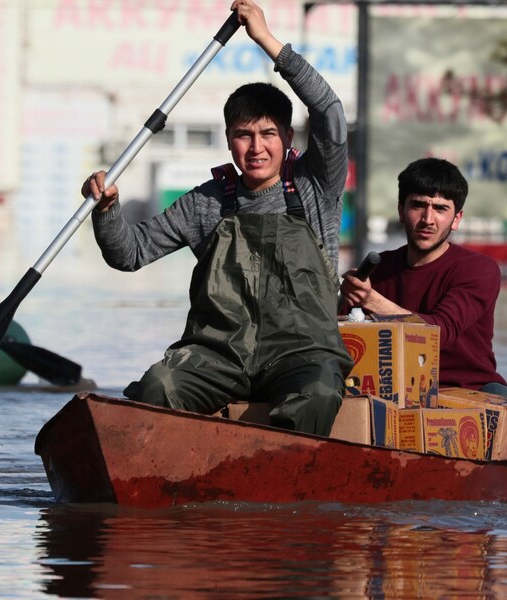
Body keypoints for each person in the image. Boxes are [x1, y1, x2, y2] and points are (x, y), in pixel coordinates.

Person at [81, 0, 352, 436]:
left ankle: (284, 484)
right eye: (244, 135)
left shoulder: (315, 184)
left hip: (302, 354)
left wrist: (266, 40)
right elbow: (128, 254)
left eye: (268, 134)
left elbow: (330, 113)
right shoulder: (206, 202)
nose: (256, 148)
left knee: (318, 391)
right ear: (229, 141)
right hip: (220, 356)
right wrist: (108, 210)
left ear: (287, 137)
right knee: (159, 385)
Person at [339, 157, 507, 398]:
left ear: (457, 219)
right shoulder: (377, 268)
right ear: (401, 211)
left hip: (467, 391)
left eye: (441, 208)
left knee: (500, 394)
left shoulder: (480, 269)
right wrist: (344, 299)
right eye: (418, 205)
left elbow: (439, 333)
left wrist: (371, 300)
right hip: (393, 391)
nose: (428, 219)